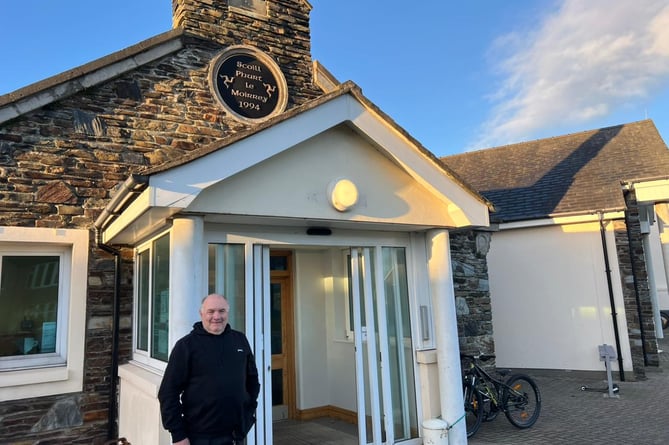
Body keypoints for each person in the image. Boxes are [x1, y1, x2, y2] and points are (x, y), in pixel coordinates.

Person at [158, 294, 260, 445]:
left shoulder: (240, 340)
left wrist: (248, 414)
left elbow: (252, 381)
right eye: (211, 311)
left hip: (235, 435)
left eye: (222, 311)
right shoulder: (186, 346)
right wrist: (178, 434)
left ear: (228, 313)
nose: (216, 316)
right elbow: (168, 393)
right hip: (200, 437)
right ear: (201, 314)